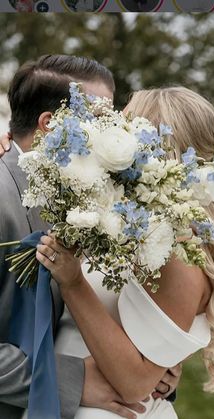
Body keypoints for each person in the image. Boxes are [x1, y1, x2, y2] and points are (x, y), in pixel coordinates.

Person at [35, 87, 214, 418]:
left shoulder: (181, 253)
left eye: (125, 127)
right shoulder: (140, 225)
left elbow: (135, 383)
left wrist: (73, 283)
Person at [0, 55, 179, 419]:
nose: (115, 136)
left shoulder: (92, 197)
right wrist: (69, 379)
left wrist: (150, 367)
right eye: (100, 122)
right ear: (50, 125)